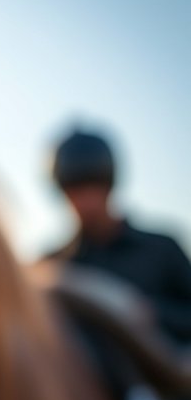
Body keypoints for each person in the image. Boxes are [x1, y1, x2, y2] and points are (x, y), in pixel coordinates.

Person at [46, 128, 191, 345]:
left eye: (93, 185)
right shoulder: (55, 268)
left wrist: (152, 313)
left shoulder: (163, 249)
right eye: (74, 190)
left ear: (109, 185)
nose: (85, 201)